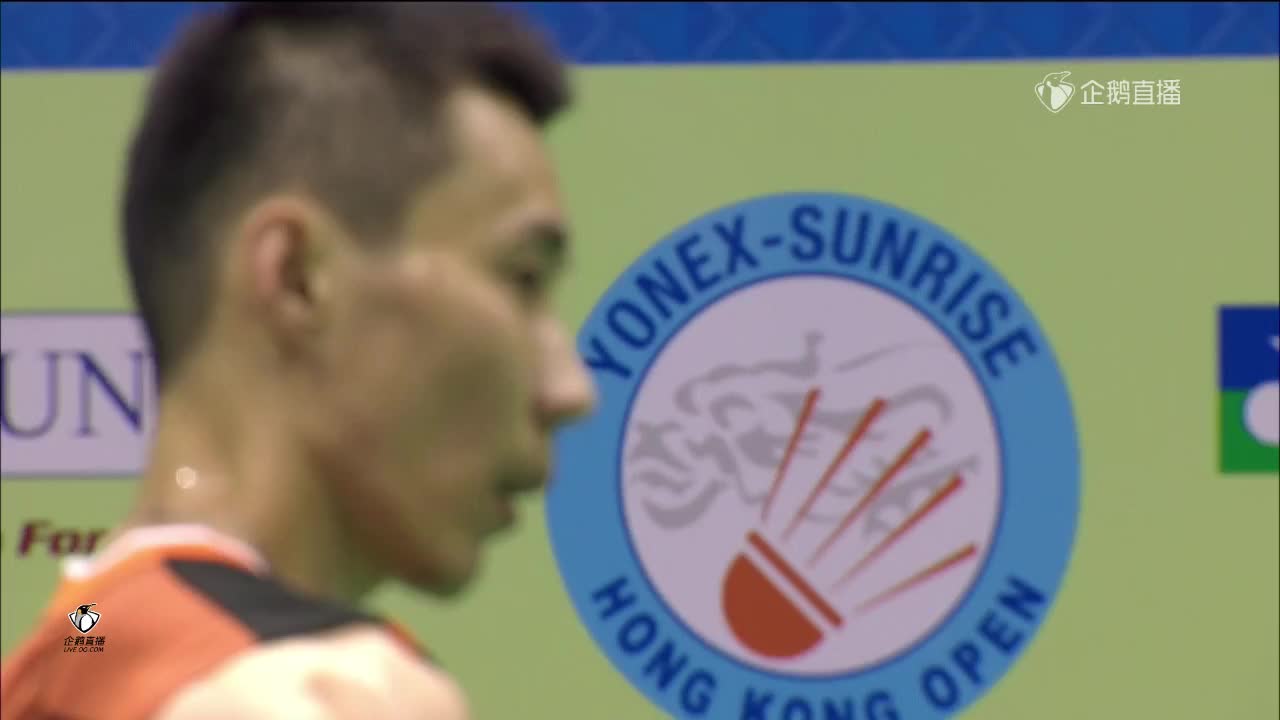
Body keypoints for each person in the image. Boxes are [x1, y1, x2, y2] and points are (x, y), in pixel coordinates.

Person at [0, 2, 597, 718]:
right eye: (521, 278)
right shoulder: (331, 698)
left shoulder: (74, 646)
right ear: (296, 277)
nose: (570, 389)